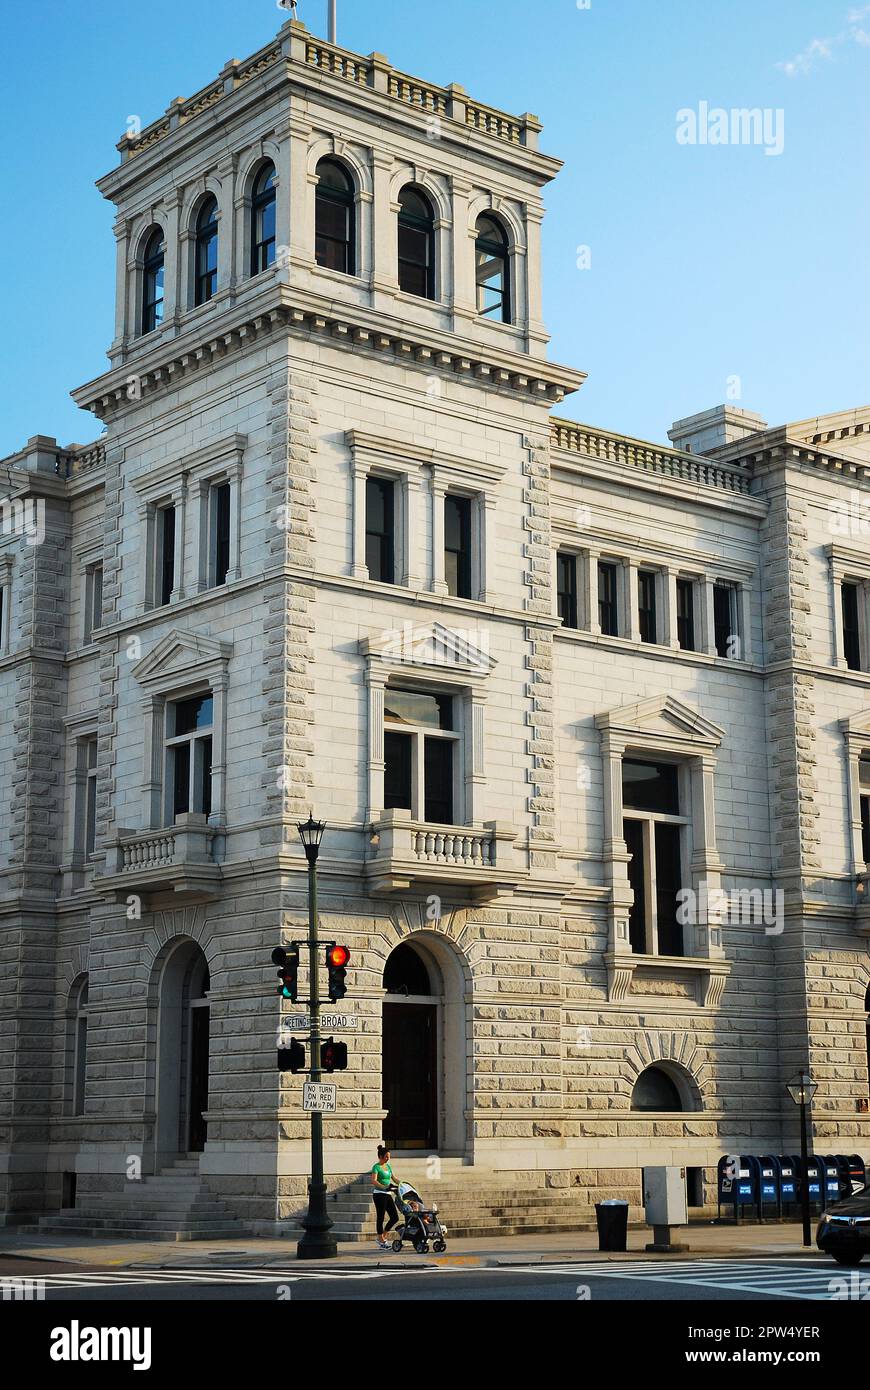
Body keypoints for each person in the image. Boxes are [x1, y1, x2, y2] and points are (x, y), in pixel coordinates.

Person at [371, 1144, 399, 1249]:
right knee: (381, 1217)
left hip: (388, 1194)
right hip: (379, 1194)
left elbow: (394, 1178)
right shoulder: (376, 1167)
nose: (388, 1158)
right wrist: (383, 1187)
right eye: (386, 1157)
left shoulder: (388, 1166)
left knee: (394, 1217)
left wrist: (402, 1183)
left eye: (389, 1157)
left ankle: (382, 1236)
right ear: (381, 1156)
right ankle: (381, 1240)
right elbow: (373, 1180)